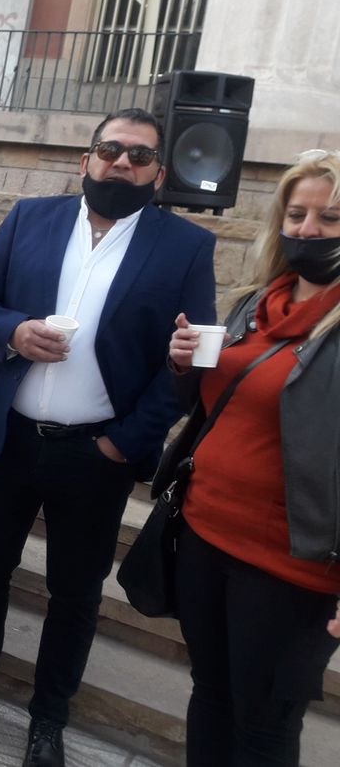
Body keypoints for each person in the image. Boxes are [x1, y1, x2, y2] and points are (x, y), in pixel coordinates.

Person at [0, 107, 217, 766]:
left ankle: (48, 719)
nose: (122, 162)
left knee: (74, 595)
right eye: (110, 149)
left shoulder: (184, 247)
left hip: (95, 454)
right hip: (9, 438)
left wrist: (123, 444)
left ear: (158, 175)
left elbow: (188, 363)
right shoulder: (30, 218)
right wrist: (13, 332)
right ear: (86, 159)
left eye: (139, 156)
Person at [166, 149, 340, 766]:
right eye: (297, 214)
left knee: (264, 727)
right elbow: (215, 406)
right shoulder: (253, 304)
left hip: (288, 568)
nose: (308, 230)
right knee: (211, 694)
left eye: (330, 218)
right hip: (205, 535)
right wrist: (185, 365)